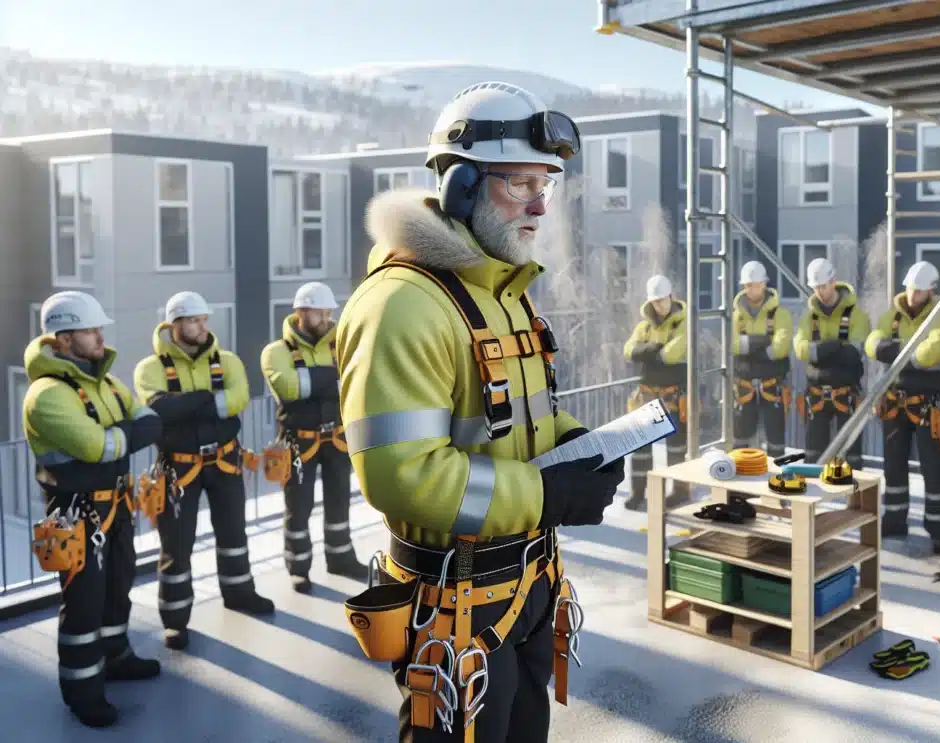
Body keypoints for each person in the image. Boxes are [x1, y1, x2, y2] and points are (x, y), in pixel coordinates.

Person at [336, 81, 624, 743]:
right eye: (518, 182)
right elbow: (402, 474)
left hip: (524, 589)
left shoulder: (504, 292)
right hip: (455, 607)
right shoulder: (402, 305)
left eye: (545, 183)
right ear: (461, 185)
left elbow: (521, 419)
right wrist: (547, 492)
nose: (538, 203)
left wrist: (578, 443)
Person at [24, 292, 163, 728]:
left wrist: (119, 437)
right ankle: (83, 692)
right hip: (76, 516)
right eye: (90, 330)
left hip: (115, 506)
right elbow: (94, 446)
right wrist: (125, 435)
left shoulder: (105, 383)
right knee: (83, 603)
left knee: (118, 587)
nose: (100, 336)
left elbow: (151, 421)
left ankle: (116, 657)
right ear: (64, 339)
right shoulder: (47, 395)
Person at [134, 290, 274, 651]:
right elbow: (160, 412)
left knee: (234, 534)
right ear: (174, 325)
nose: (200, 326)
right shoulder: (150, 368)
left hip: (225, 462)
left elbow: (239, 399)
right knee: (176, 547)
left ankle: (239, 593)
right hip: (179, 470)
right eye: (193, 320)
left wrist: (184, 405)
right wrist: (210, 402)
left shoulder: (227, 361)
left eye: (202, 320)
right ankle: (176, 621)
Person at [261, 281, 368, 593]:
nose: (326, 319)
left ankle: (341, 558)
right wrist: (334, 379)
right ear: (301, 313)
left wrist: (313, 381)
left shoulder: (341, 345)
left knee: (339, 503)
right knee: (298, 506)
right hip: (297, 443)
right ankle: (299, 568)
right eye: (319, 313)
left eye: (328, 313)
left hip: (336, 438)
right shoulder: (276, 352)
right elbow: (289, 390)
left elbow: (355, 383)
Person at [865, 261, 940, 555]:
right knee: (894, 464)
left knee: (933, 468)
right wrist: (903, 350)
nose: (914, 296)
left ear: (931, 290)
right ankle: (894, 520)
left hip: (927, 404)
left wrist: (895, 350)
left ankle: (938, 529)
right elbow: (872, 343)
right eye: (911, 290)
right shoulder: (892, 315)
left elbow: (930, 354)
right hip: (895, 402)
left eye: (920, 292)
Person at [793, 257, 869, 468]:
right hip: (817, 394)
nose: (820, 292)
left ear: (833, 282)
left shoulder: (856, 316)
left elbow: (854, 353)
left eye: (823, 286)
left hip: (846, 393)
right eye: (816, 287)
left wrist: (818, 351)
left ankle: (854, 500)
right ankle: (817, 497)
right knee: (814, 453)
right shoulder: (808, 318)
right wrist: (836, 345)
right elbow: (800, 350)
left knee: (851, 456)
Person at [623, 274, 689, 511]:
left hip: (673, 396)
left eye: (662, 300)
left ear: (671, 297)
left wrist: (647, 352)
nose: (659, 305)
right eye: (655, 302)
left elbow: (671, 355)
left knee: (676, 448)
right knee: (640, 450)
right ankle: (638, 492)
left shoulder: (684, 324)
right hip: (648, 395)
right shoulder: (644, 326)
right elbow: (629, 351)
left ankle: (680, 490)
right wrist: (654, 348)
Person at [731, 260, 793, 459]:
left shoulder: (781, 315)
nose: (752, 289)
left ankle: (776, 484)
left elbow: (780, 348)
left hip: (772, 387)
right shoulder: (736, 317)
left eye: (756, 284)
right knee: (740, 440)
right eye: (748, 285)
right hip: (744, 387)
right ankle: (742, 487)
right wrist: (764, 342)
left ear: (764, 284)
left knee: (775, 442)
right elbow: (731, 345)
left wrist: (747, 346)